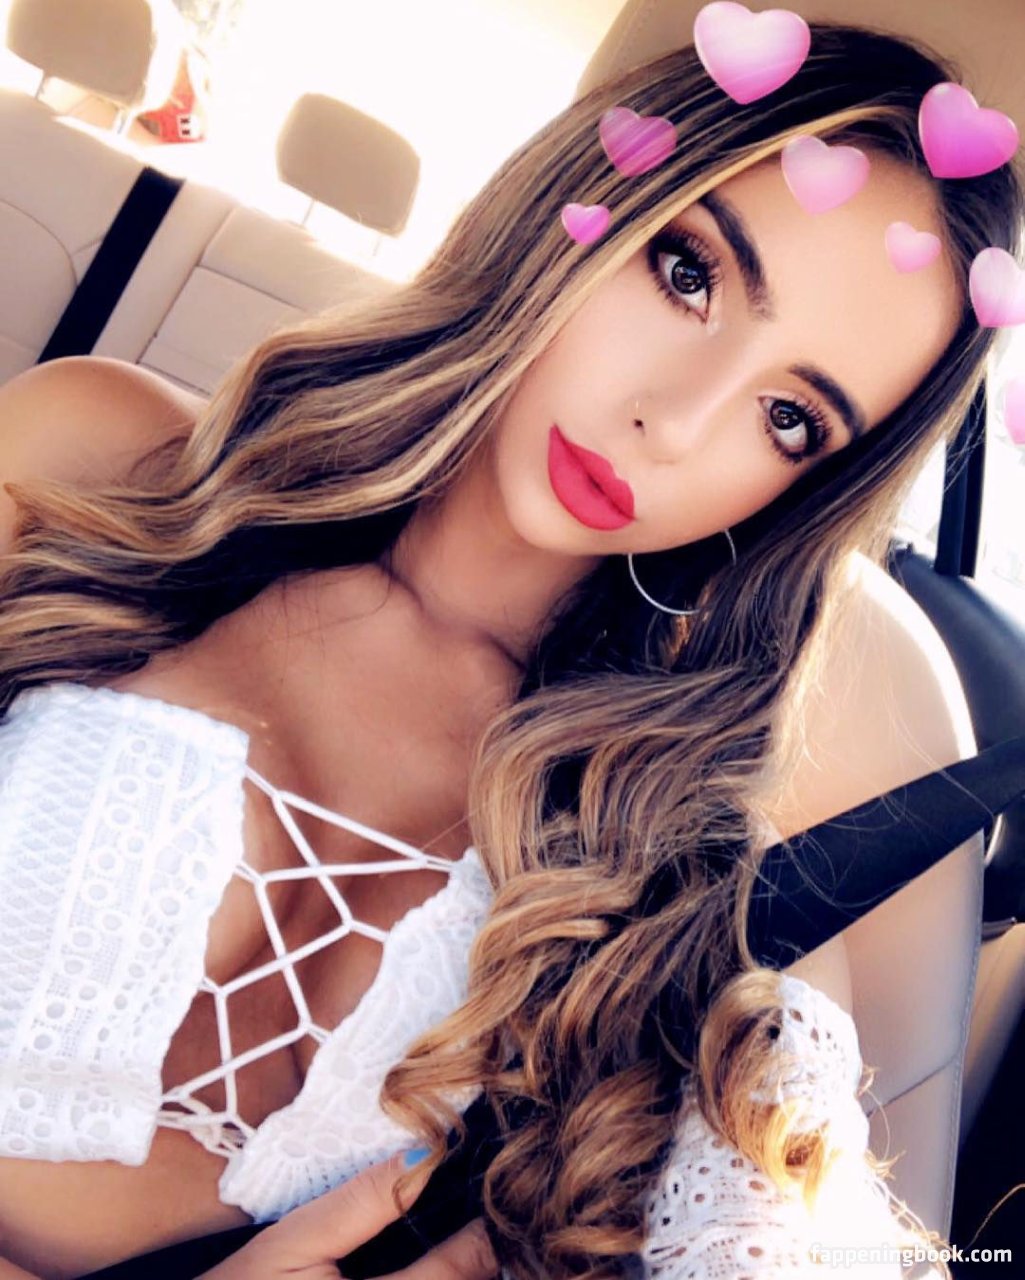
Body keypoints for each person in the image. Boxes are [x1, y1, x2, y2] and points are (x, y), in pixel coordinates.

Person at [0, 17, 1021, 1280]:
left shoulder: (682, 832)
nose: (674, 422)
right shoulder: (94, 461)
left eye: (786, 415)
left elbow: (782, 1219)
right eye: (687, 272)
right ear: (575, 201)